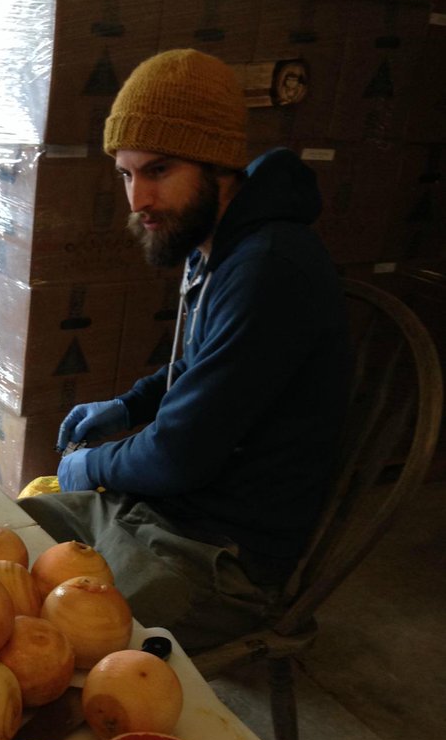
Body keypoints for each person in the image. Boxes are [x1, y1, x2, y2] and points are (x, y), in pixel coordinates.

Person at [19, 48, 351, 652]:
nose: (136, 198)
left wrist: (88, 466)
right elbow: (202, 364)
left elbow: (176, 456)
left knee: (54, 638)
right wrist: (128, 403)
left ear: (220, 164)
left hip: (218, 556)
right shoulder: (217, 243)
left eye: (158, 171)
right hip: (165, 513)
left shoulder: (268, 268)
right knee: (7, 544)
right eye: (125, 173)